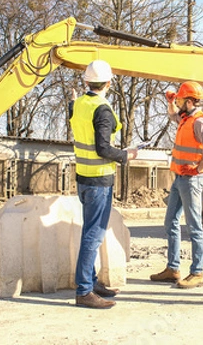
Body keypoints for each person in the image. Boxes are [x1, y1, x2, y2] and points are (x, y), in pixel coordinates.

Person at [69, 60, 138, 309]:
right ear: (109, 83)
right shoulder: (103, 109)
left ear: (87, 81)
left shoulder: (78, 105)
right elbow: (103, 148)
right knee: (94, 235)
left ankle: (91, 281)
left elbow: (77, 119)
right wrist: (126, 154)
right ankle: (84, 291)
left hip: (84, 178)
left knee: (89, 232)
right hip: (99, 180)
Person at [149, 82, 203, 289]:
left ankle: (197, 272)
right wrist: (171, 102)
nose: (177, 103)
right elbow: (172, 115)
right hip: (180, 178)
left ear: (189, 101)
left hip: (192, 179)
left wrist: (198, 168)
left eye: (179, 100)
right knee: (171, 222)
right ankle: (173, 268)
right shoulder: (185, 118)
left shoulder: (200, 122)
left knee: (194, 226)